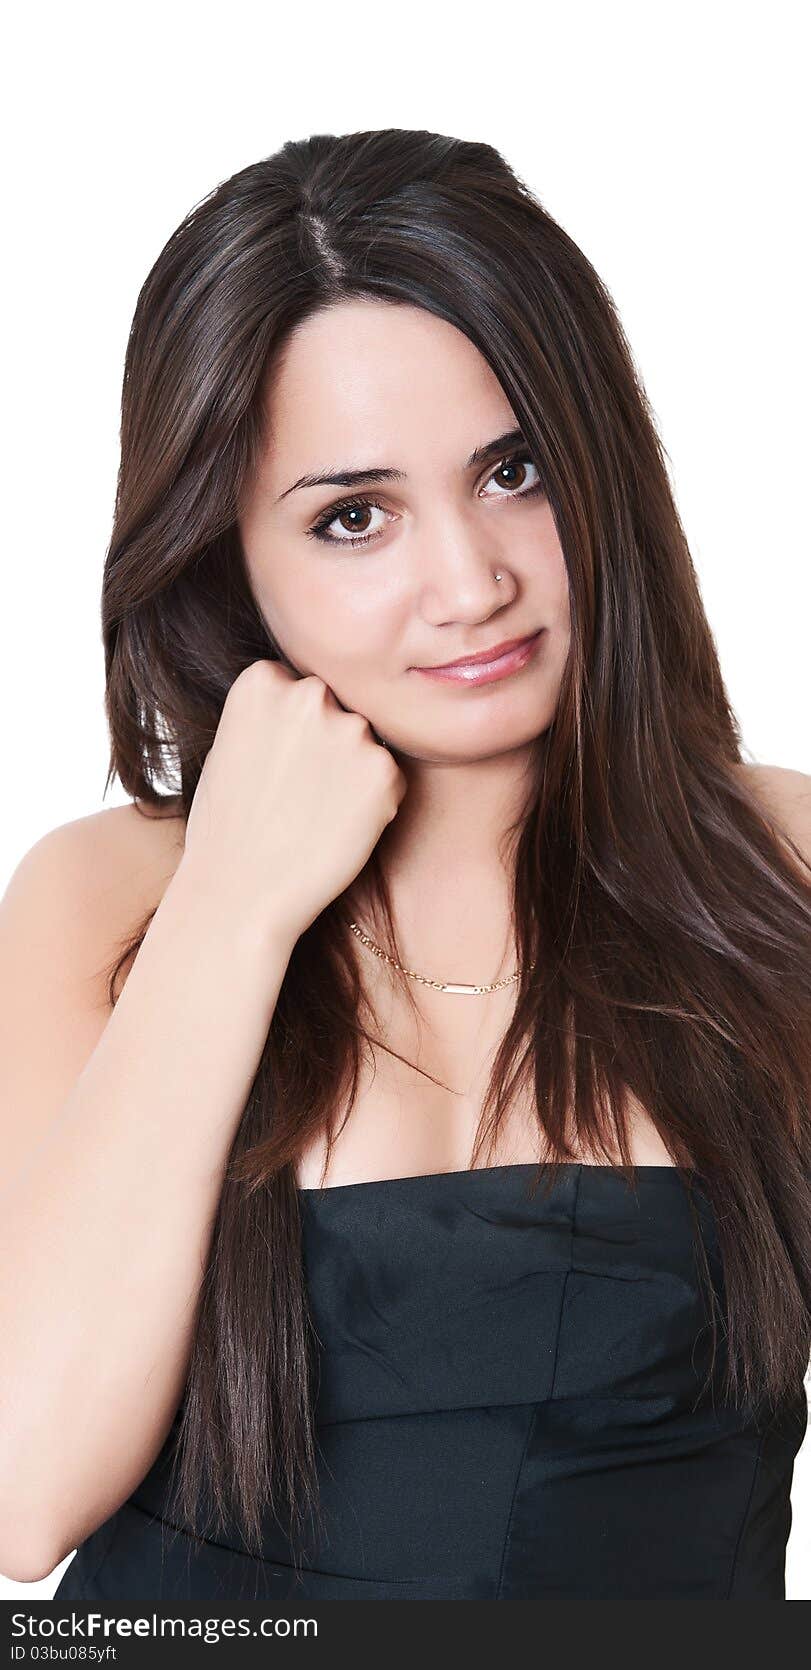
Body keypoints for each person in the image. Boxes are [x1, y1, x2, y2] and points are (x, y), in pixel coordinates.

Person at [1, 128, 810, 1603]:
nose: (470, 582)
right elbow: (21, 1485)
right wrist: (236, 906)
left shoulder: (778, 870)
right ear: (227, 558)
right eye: (354, 517)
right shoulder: (106, 899)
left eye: (514, 471)